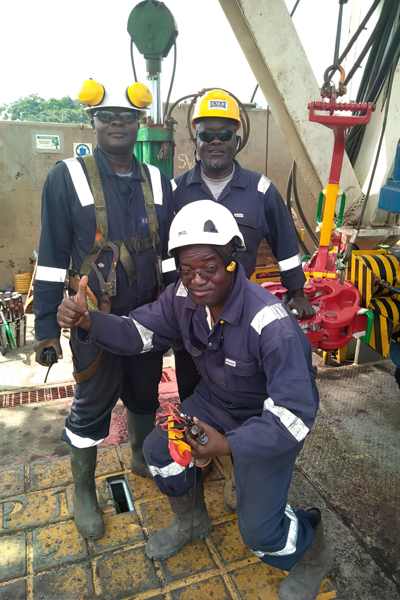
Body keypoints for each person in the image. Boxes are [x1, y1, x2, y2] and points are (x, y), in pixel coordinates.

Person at [57, 200, 333, 600]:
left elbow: (294, 417)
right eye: (187, 271)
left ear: (232, 262)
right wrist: (89, 321)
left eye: (209, 268)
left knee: (261, 535)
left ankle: (312, 551)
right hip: (215, 403)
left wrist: (228, 445)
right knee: (160, 452)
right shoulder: (181, 298)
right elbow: (139, 334)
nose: (197, 280)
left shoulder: (273, 327)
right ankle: (192, 522)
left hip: (267, 423)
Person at [33, 79, 174, 540]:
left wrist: (178, 309)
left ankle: (140, 456)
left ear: (139, 123)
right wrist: (46, 328)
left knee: (145, 393)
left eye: (127, 117)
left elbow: (168, 254)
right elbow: (51, 257)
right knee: (92, 403)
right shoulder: (67, 177)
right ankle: (84, 492)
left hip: (148, 317)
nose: (117, 123)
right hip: (92, 318)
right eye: (107, 115)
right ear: (92, 121)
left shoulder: (158, 181)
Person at [172, 89, 315, 509]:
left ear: (238, 139)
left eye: (225, 134)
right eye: (207, 134)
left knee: (245, 393)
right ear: (195, 139)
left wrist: (297, 290)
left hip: (240, 318)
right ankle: (201, 456)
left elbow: (285, 242)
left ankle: (237, 460)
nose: (215, 141)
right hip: (192, 315)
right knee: (193, 387)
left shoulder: (261, 190)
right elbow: (167, 257)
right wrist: (171, 307)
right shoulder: (176, 190)